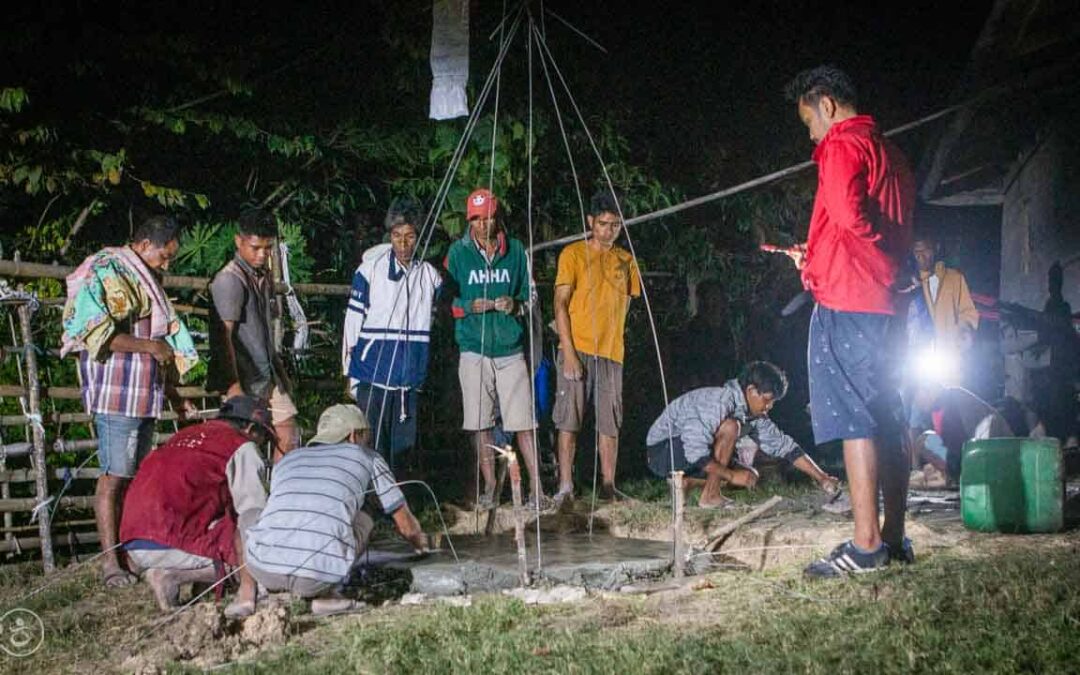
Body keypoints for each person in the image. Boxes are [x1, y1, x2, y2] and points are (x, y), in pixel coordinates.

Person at [780, 65, 915, 577]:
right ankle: (895, 537)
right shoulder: (894, 153)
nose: (811, 134)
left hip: (849, 297)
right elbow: (871, 222)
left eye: (809, 121)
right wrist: (817, 252)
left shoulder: (842, 144)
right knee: (889, 413)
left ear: (828, 106)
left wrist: (829, 260)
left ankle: (865, 546)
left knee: (855, 417)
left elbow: (851, 215)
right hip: (885, 301)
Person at [60, 215, 199, 588]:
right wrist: (149, 347)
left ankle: (128, 554)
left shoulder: (150, 280)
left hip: (146, 393)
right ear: (142, 246)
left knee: (133, 479)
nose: (167, 264)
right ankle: (110, 564)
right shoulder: (107, 269)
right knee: (114, 476)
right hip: (117, 391)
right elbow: (94, 331)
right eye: (163, 256)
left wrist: (174, 397)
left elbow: (161, 348)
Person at [244, 405, 429, 616]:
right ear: (353, 436)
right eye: (365, 436)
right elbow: (405, 523)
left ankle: (248, 594)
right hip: (316, 578)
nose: (367, 442)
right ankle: (329, 594)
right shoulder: (369, 457)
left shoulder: (289, 459)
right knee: (364, 513)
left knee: (252, 515)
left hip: (264, 570)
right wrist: (421, 545)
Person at [444, 188, 550, 511]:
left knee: (523, 421)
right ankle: (490, 487)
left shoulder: (516, 251)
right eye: (476, 219)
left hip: (509, 347)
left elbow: (530, 295)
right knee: (479, 422)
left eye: (488, 217)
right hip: (474, 347)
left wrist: (515, 305)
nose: (483, 225)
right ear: (469, 220)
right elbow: (444, 301)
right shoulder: (457, 254)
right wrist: (468, 306)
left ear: (497, 216)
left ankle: (537, 488)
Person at [119, 395, 270, 618]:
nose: (262, 442)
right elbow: (253, 513)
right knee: (250, 547)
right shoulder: (241, 446)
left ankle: (179, 572)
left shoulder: (184, 435)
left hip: (134, 537)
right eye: (262, 436)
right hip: (169, 538)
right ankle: (171, 574)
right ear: (249, 428)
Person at [552, 189, 641, 505]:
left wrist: (615, 341)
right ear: (590, 221)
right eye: (603, 224)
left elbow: (628, 305)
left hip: (611, 353)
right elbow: (560, 304)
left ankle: (608, 485)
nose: (609, 231)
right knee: (569, 418)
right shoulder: (573, 255)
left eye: (615, 225)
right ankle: (565, 486)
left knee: (609, 421)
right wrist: (570, 352)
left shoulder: (626, 261)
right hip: (577, 348)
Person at [646, 361, 839, 507]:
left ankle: (687, 482)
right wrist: (730, 475)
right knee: (731, 427)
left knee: (750, 476)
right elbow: (694, 452)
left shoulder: (754, 416)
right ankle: (710, 496)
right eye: (767, 400)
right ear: (751, 390)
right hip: (664, 451)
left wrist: (822, 477)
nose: (769, 407)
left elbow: (785, 447)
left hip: (692, 455)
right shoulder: (718, 401)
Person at [343, 197, 443, 464]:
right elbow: (352, 323)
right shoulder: (369, 271)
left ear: (418, 237)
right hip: (372, 371)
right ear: (390, 235)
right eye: (397, 236)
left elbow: (438, 316)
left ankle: (400, 499)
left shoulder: (429, 276)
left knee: (404, 447)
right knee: (371, 443)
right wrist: (349, 372)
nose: (403, 243)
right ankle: (371, 501)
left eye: (410, 236)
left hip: (409, 375)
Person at [208, 209, 297, 463]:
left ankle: (281, 496)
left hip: (266, 374)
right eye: (256, 247)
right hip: (244, 377)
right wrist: (233, 385)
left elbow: (265, 331)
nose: (262, 255)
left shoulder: (261, 275)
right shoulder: (230, 280)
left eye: (268, 248)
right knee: (243, 446)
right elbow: (223, 337)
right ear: (239, 241)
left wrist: (280, 372)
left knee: (288, 434)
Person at [907, 383, 1014, 487]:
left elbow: (956, 448)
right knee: (926, 440)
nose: (917, 404)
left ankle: (959, 480)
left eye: (916, 398)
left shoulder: (952, 403)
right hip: (984, 455)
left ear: (925, 390)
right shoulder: (943, 405)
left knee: (925, 441)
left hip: (993, 458)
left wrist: (947, 472)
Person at [911, 233, 979, 352]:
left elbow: (968, 311)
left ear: (936, 248)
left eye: (925, 250)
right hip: (918, 353)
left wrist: (965, 330)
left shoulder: (954, 278)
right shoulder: (910, 284)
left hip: (949, 353)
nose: (921, 256)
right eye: (916, 251)